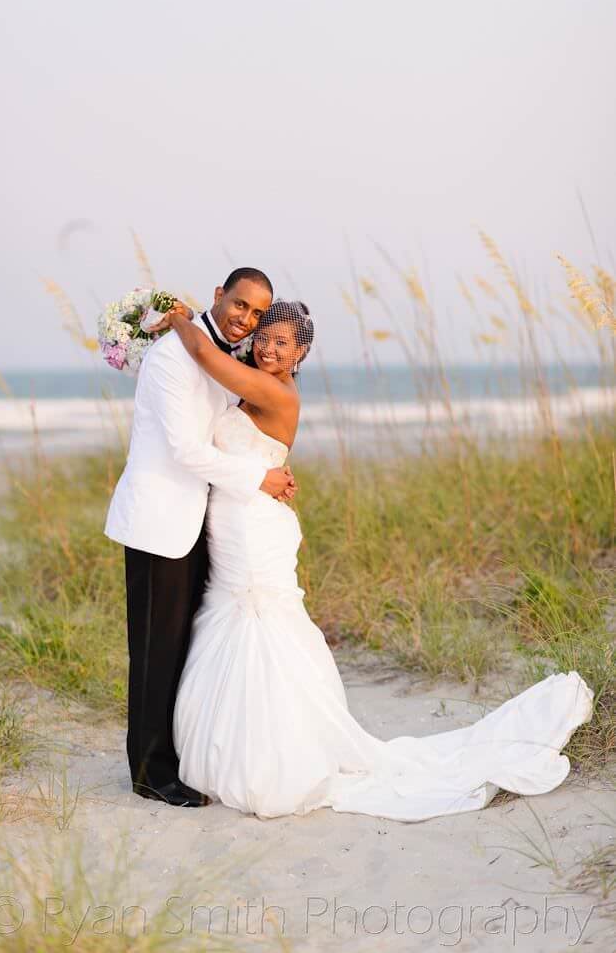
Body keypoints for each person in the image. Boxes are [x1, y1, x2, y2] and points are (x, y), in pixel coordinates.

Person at [162, 297, 594, 822]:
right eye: (265, 336)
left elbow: (209, 359)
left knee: (262, 621)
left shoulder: (277, 392)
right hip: (231, 522)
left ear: (299, 354)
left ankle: (274, 754)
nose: (270, 347)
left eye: (283, 342)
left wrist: (178, 319)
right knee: (232, 618)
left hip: (255, 529)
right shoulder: (249, 386)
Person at [104, 268, 298, 807]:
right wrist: (259, 477)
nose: (246, 320)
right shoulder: (172, 358)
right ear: (219, 296)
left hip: (198, 523)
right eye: (240, 306)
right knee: (153, 650)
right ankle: (150, 774)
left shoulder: (224, 358)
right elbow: (188, 450)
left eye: (258, 315)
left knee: (181, 649)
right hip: (158, 520)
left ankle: (172, 756)